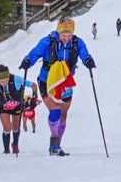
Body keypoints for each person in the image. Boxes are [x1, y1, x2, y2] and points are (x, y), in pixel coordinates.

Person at [19, 17, 96, 156]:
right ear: (58, 32)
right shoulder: (48, 41)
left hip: (65, 82)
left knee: (63, 114)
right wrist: (27, 61)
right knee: (55, 111)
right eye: (63, 35)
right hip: (46, 81)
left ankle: (57, 146)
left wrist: (88, 60)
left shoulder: (77, 42)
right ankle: (54, 140)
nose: (66, 38)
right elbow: (35, 52)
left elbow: (84, 53)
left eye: (69, 35)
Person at [0, 64, 30, 154]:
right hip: (3, 106)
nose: (4, 83)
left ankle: (15, 145)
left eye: (6, 80)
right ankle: (6, 149)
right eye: (1, 81)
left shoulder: (16, 78)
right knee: (7, 127)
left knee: (15, 126)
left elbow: (33, 85)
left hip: (16, 105)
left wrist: (34, 95)